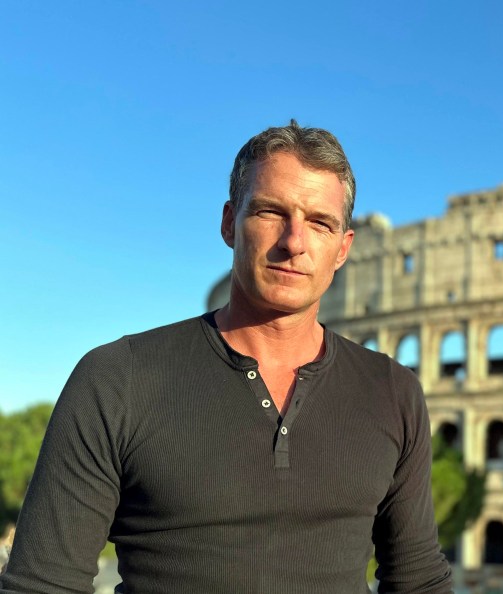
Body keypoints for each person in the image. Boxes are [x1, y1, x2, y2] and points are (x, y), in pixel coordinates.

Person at [0, 121, 452, 593]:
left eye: (320, 222)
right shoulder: (118, 379)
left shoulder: (392, 391)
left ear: (343, 248)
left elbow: (418, 579)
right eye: (270, 212)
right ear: (228, 224)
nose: (294, 242)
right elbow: (42, 585)